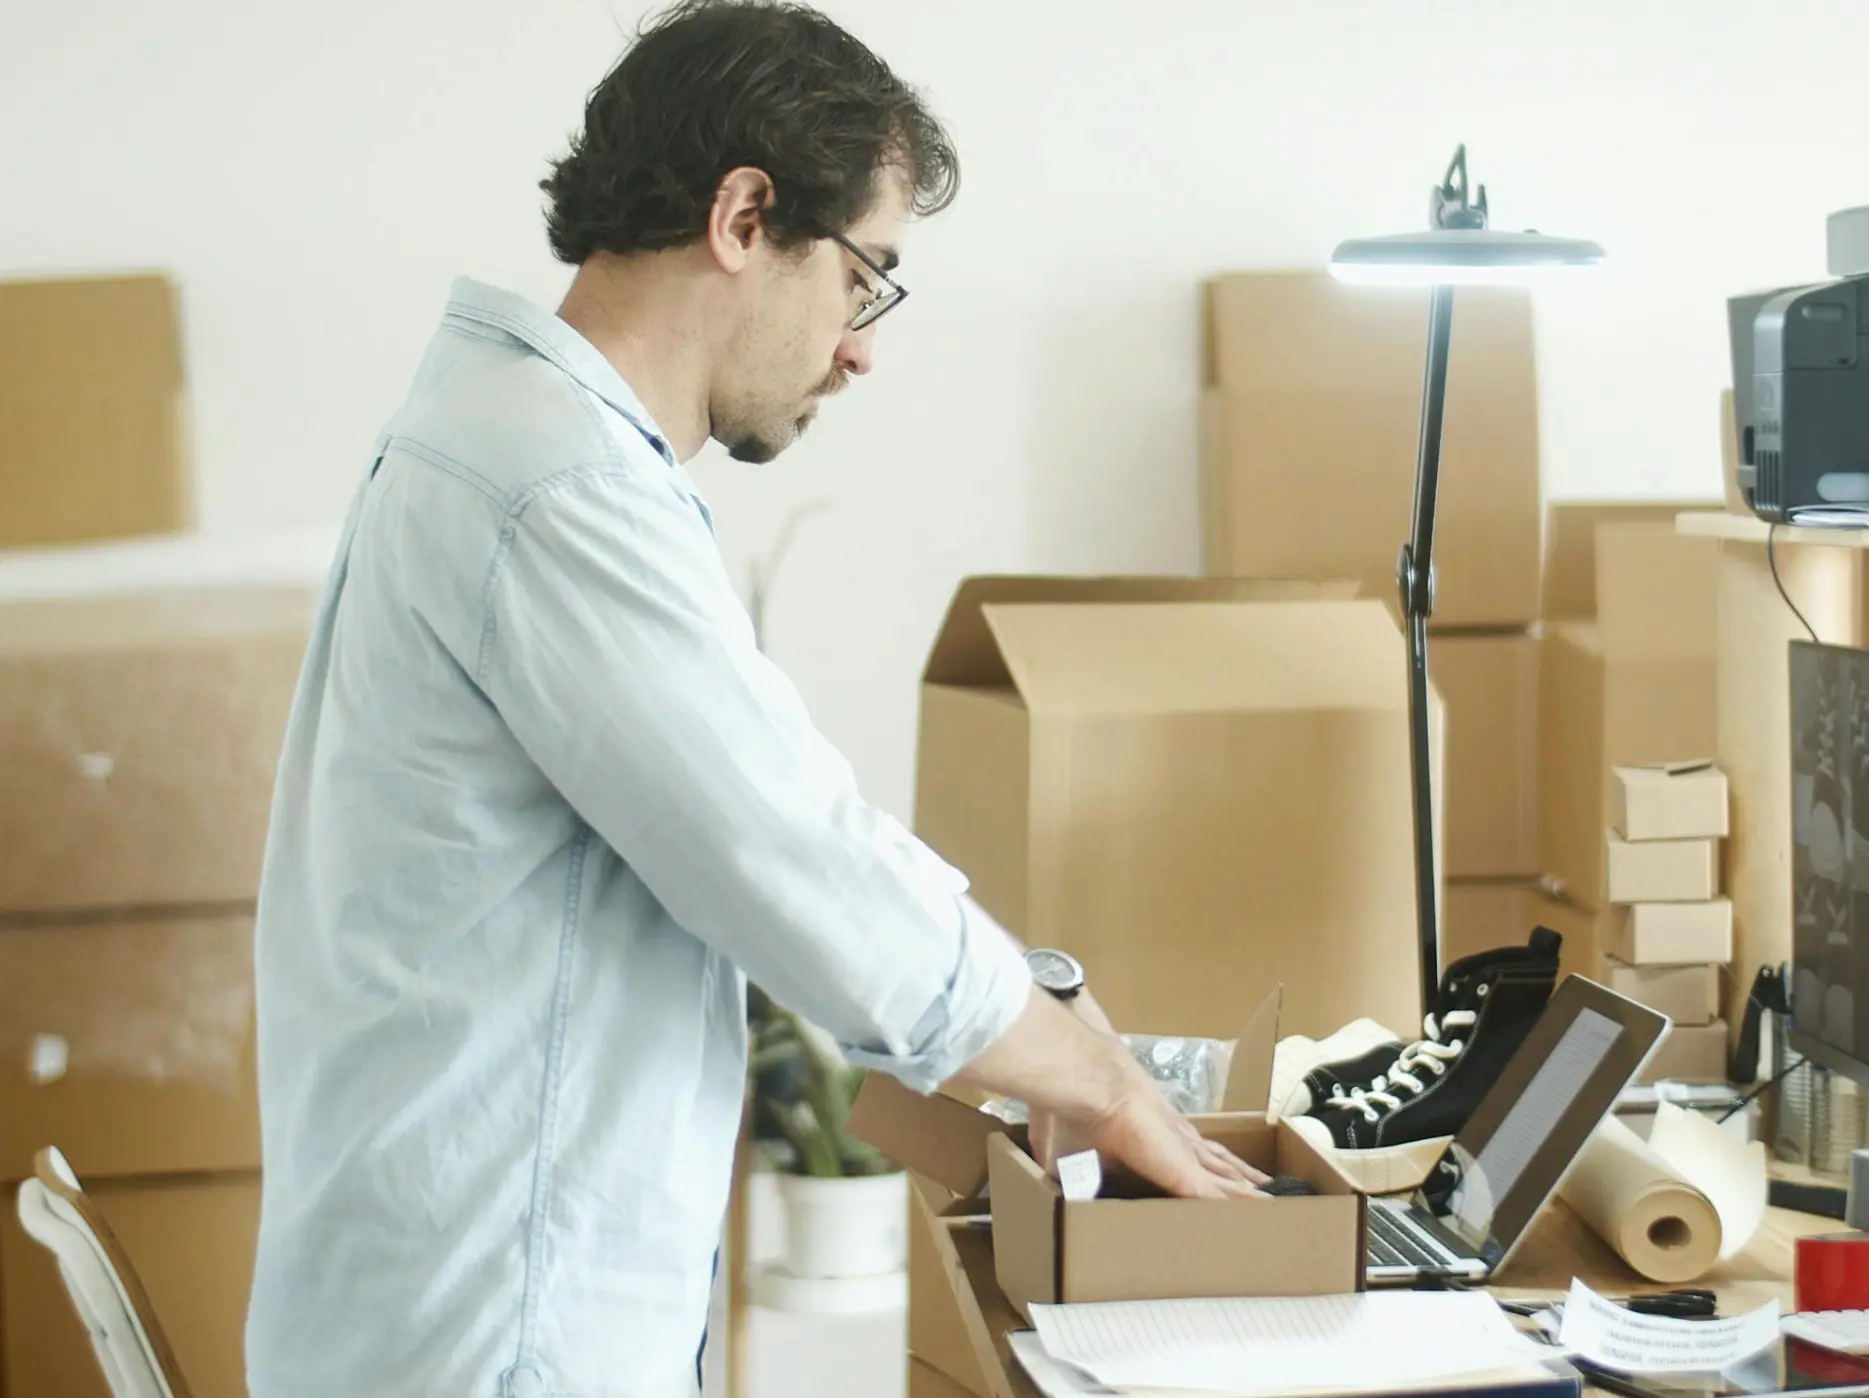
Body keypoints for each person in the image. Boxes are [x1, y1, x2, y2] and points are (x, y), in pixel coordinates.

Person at [243, 3, 1266, 1396]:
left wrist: (1032, 1016)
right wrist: (1097, 1078)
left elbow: (773, 834)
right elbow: (797, 865)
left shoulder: (521, 447)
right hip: (494, 1334)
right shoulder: (554, 488)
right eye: (865, 278)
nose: (860, 348)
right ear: (742, 216)